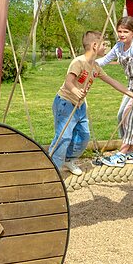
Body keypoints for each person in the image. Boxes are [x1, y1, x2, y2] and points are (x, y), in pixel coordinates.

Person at [93, 16, 133, 167]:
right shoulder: (118, 47)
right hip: (132, 83)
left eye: (125, 32)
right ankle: (130, 152)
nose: (122, 34)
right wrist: (89, 62)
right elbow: (104, 60)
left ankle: (121, 153)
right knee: (122, 114)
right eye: (120, 31)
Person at [49, 30, 105, 176]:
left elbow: (113, 82)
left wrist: (131, 93)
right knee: (64, 136)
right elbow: (68, 82)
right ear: (94, 45)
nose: (105, 47)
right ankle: (52, 167)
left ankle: (68, 159)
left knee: (84, 135)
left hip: (80, 105)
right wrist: (76, 91)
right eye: (103, 44)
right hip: (65, 103)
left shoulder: (96, 67)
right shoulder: (78, 62)